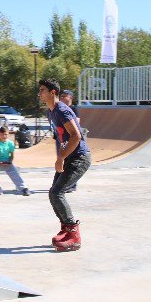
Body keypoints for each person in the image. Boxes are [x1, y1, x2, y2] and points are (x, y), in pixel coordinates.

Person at [38, 79, 91, 252]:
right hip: (69, 158)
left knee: (57, 192)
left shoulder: (62, 110)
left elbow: (76, 136)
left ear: (53, 92)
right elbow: (61, 136)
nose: (39, 93)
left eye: (42, 90)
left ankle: (74, 236)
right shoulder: (51, 112)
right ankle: (66, 230)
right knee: (54, 193)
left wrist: (61, 157)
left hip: (79, 158)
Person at [0, 126, 30, 196]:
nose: (4, 136)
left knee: (14, 171)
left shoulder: (10, 143)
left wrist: (9, 161)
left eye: (6, 134)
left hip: (7, 162)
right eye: (2, 134)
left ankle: (24, 188)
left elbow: (12, 155)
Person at [59, 89, 80, 192]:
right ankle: (64, 182)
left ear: (70, 98)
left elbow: (77, 122)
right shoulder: (60, 109)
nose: (62, 98)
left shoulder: (73, 109)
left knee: (71, 161)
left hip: (70, 138)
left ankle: (72, 184)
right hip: (61, 138)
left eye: (64, 96)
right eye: (61, 96)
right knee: (63, 160)